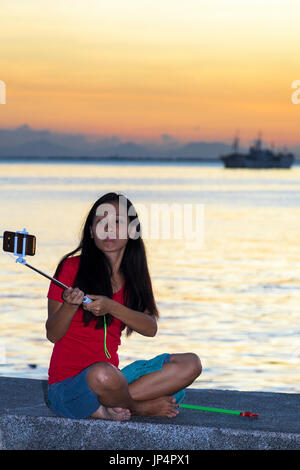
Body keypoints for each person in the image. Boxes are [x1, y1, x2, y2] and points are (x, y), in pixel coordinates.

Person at [46, 192, 202, 421]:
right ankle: (139, 407)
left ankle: (113, 405)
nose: (109, 229)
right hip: (69, 388)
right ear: (91, 231)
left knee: (191, 364)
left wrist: (112, 307)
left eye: (117, 222)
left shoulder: (134, 276)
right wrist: (70, 306)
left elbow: (150, 328)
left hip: (115, 381)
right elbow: (53, 334)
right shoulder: (71, 268)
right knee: (102, 374)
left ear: (132, 231)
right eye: (101, 222)